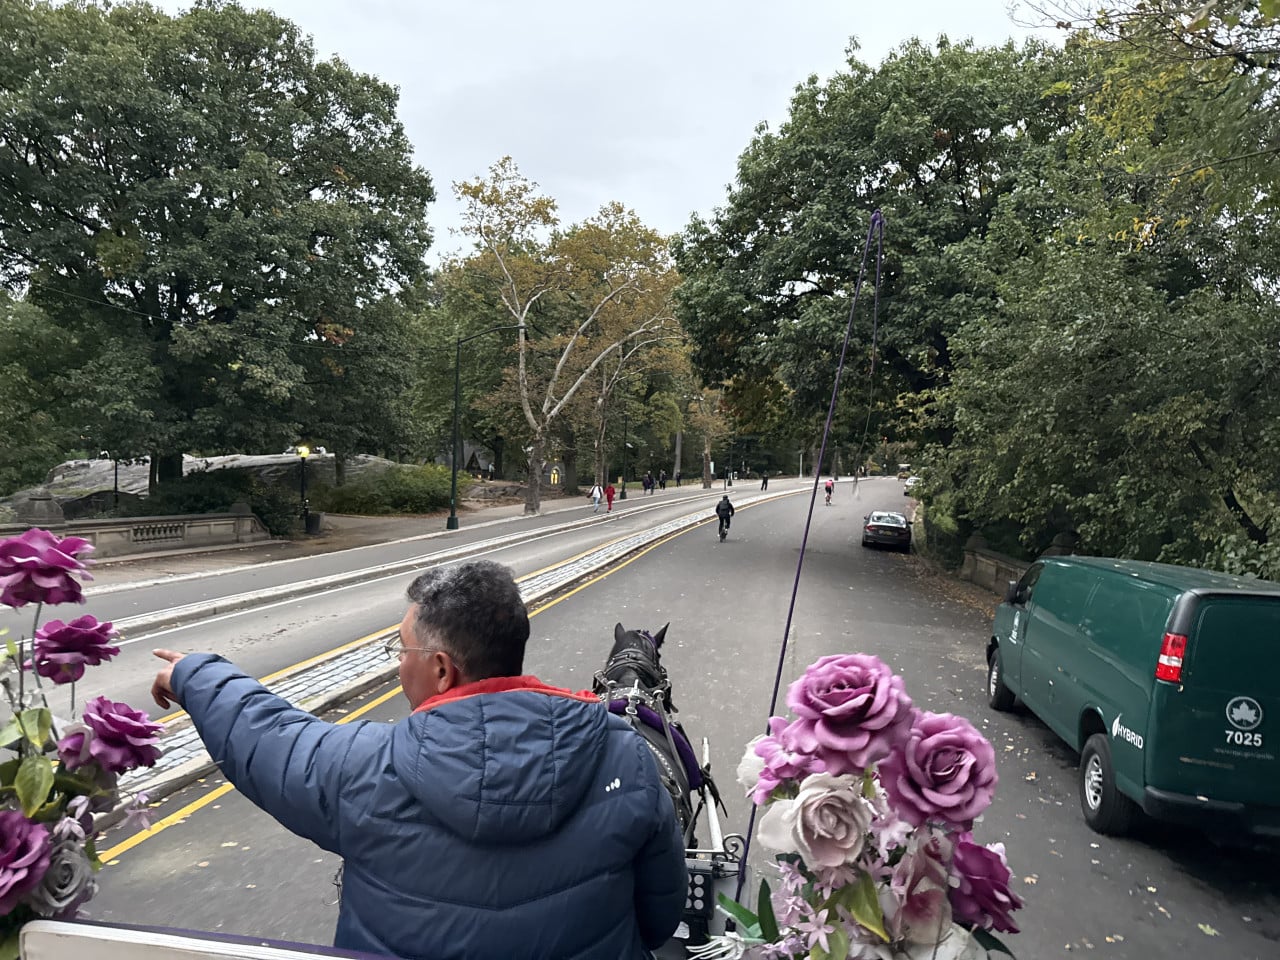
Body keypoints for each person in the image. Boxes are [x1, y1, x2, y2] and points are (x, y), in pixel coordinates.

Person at [149, 561, 687, 960]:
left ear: (440, 668)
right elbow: (660, 916)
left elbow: (267, 738)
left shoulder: (360, 766)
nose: (398, 665)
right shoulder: (627, 755)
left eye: (400, 650)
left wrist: (193, 674)